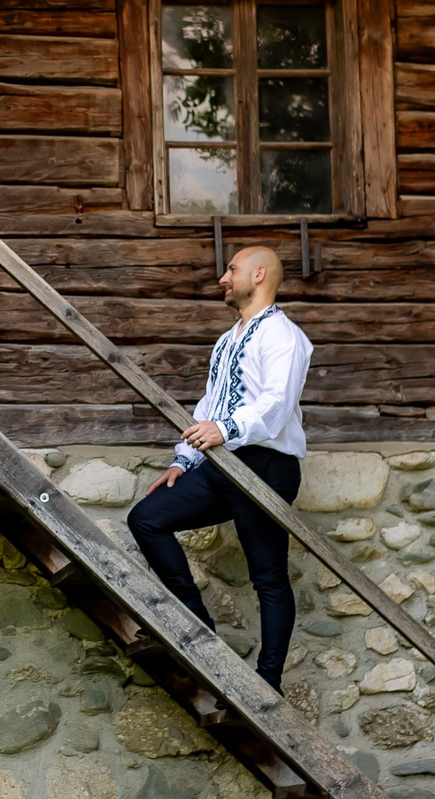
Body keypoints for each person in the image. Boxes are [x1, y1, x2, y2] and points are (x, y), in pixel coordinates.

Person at [125, 242, 311, 690]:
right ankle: (200, 630)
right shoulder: (228, 339)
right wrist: (185, 459)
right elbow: (211, 404)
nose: (223, 279)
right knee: (147, 518)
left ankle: (268, 683)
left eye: (232, 269)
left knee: (268, 577)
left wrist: (225, 429)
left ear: (259, 274)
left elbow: (276, 405)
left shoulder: (283, 335)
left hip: (266, 465)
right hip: (222, 463)